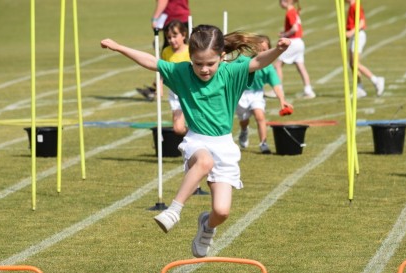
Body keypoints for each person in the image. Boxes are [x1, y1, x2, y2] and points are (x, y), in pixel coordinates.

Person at [101, 25, 291, 258]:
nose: (204, 69)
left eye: (210, 63)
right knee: (204, 162)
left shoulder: (231, 72)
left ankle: (206, 227)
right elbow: (152, 62)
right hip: (196, 141)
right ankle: (174, 211)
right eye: (198, 63)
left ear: (222, 57)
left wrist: (278, 50)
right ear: (190, 58)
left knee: (221, 212)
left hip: (224, 145)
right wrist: (119, 47)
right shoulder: (182, 72)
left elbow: (258, 61)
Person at [237, 35, 292, 154]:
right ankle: (244, 130)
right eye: (259, 49)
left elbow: (276, 85)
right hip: (242, 94)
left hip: (257, 93)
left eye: (264, 50)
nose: (262, 52)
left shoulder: (268, 68)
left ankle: (263, 143)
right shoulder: (244, 61)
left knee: (260, 116)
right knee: (244, 120)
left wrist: (282, 100)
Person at [136, 0, 190, 101]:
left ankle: (154, 89)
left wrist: (155, 18)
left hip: (172, 20)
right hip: (184, 17)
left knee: (167, 57)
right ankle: (154, 87)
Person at [273, 0, 316, 99]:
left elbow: (295, 28)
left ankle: (278, 89)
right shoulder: (294, 11)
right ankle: (308, 90)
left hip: (293, 42)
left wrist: (284, 34)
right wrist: (285, 31)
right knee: (300, 66)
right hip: (299, 42)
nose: (280, 3)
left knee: (278, 65)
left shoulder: (290, 12)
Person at [345, 0, 385, 98]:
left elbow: (361, 23)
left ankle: (376, 80)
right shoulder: (351, 7)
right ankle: (359, 88)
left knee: (355, 63)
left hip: (358, 35)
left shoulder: (356, 6)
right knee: (352, 64)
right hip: (354, 36)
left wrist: (351, 32)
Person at [161, 20, 189, 135]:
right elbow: (162, 70)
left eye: (175, 36)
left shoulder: (190, 50)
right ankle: (192, 135)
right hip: (175, 93)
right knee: (178, 129)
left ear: (183, 35)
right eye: (169, 37)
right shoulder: (166, 51)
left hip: (190, 91)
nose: (172, 40)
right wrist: (160, 85)